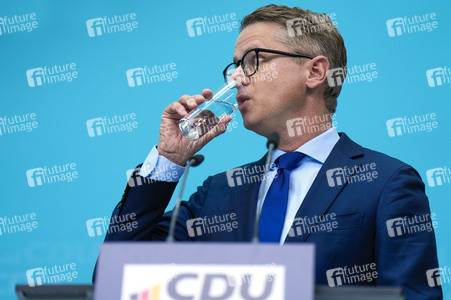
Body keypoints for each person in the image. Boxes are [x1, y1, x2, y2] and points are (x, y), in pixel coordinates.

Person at [101, 5, 442, 299]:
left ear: (315, 71)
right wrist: (168, 160)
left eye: (253, 60)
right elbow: (115, 279)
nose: (236, 78)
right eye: (234, 66)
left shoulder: (387, 184)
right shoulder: (217, 194)